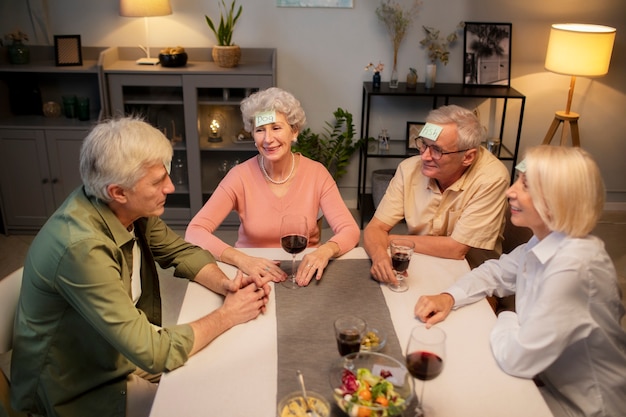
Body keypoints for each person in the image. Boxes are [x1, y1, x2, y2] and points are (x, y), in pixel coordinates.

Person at [10, 117, 270, 417]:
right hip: (77, 387)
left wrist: (226, 285)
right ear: (118, 191)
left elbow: (181, 252)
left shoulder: (127, 209)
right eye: (158, 181)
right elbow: (153, 352)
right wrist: (228, 314)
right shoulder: (81, 248)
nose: (170, 187)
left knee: (222, 371)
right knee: (206, 403)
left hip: (114, 352)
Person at [414, 146, 626, 417]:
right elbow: (496, 272)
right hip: (547, 381)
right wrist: (449, 297)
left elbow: (516, 358)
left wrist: (506, 315)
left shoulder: (575, 267)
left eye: (525, 186)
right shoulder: (546, 240)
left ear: (558, 198)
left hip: (586, 405)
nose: (510, 192)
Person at [185, 87, 360, 287]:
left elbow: (350, 230)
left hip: (304, 273)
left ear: (294, 131)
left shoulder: (317, 173)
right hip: (252, 274)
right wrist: (242, 259)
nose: (268, 139)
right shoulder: (239, 176)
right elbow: (195, 231)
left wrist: (324, 251)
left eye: (276, 128)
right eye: (260, 130)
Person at [364, 104, 510, 286]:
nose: (424, 156)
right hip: (420, 262)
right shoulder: (409, 169)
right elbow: (374, 229)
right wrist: (379, 257)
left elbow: (456, 249)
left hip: (476, 276)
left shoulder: (492, 178)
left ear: (468, 157)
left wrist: (391, 240)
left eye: (437, 150)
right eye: (423, 144)